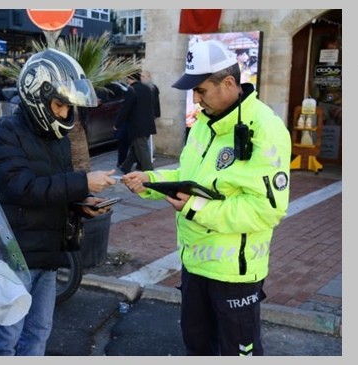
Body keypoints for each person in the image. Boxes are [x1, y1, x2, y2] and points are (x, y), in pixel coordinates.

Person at [121, 39, 291, 356]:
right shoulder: (204, 123)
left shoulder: (266, 129)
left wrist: (196, 208)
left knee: (237, 352)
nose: (196, 101)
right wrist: (150, 180)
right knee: (197, 344)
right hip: (194, 264)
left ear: (228, 83)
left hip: (233, 274)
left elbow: (268, 210)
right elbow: (189, 175)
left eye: (201, 91)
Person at [0, 48, 118, 356]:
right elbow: (24, 188)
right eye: (59, 105)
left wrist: (82, 203)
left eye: (69, 107)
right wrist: (82, 182)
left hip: (49, 254)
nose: (65, 114)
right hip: (16, 257)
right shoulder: (4, 134)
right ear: (36, 96)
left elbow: (55, 189)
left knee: (39, 332)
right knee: (6, 338)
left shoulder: (56, 140)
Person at [114, 71, 157, 174]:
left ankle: (148, 170)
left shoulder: (132, 90)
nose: (127, 81)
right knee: (136, 147)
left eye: (127, 79)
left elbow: (126, 108)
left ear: (130, 79)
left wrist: (117, 124)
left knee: (141, 149)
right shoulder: (147, 89)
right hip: (148, 124)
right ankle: (125, 167)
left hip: (137, 126)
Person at [140, 70, 161, 164]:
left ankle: (150, 155)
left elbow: (153, 103)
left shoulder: (151, 88)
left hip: (149, 115)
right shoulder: (146, 87)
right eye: (141, 76)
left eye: (144, 76)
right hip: (148, 115)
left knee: (146, 138)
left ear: (148, 77)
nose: (141, 78)